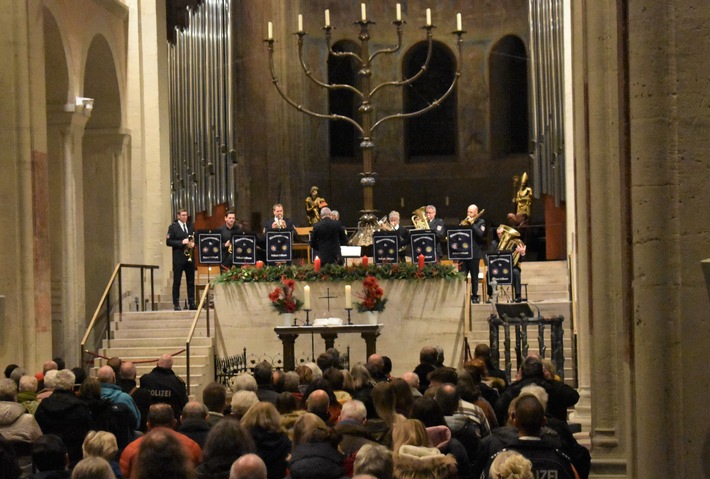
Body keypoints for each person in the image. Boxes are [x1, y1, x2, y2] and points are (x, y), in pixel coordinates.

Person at [35, 369, 92, 466]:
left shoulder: (43, 406)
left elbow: (37, 430)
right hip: (75, 457)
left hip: (48, 455)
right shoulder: (81, 407)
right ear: (72, 386)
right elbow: (88, 431)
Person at [139, 354, 189, 420]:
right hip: (171, 421)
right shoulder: (178, 382)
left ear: (157, 364)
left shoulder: (145, 380)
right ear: (171, 366)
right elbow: (184, 404)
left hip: (150, 420)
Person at [166, 208, 196, 310]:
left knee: (191, 281)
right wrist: (181, 242)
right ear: (178, 216)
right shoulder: (173, 227)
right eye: (183, 215)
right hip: (179, 258)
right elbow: (169, 242)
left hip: (189, 257)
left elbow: (193, 237)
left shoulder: (190, 226)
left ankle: (192, 302)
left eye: (186, 215)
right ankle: (176, 303)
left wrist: (193, 243)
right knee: (177, 281)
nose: (185, 217)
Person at [488, 226, 527, 302]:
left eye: (502, 233)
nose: (500, 235)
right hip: (497, 268)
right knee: (488, 273)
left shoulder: (515, 243)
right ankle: (491, 295)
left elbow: (521, 260)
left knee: (516, 272)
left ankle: (518, 296)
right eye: (498, 234)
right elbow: (489, 256)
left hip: (511, 267)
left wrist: (522, 253)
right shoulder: (494, 243)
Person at [459, 204, 486, 303]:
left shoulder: (481, 222)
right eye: (468, 212)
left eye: (471, 212)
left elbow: (480, 234)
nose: (469, 214)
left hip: (474, 253)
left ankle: (475, 296)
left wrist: (472, 223)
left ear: (476, 212)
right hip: (464, 253)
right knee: (462, 275)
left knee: (474, 276)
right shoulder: (464, 222)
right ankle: (463, 295)